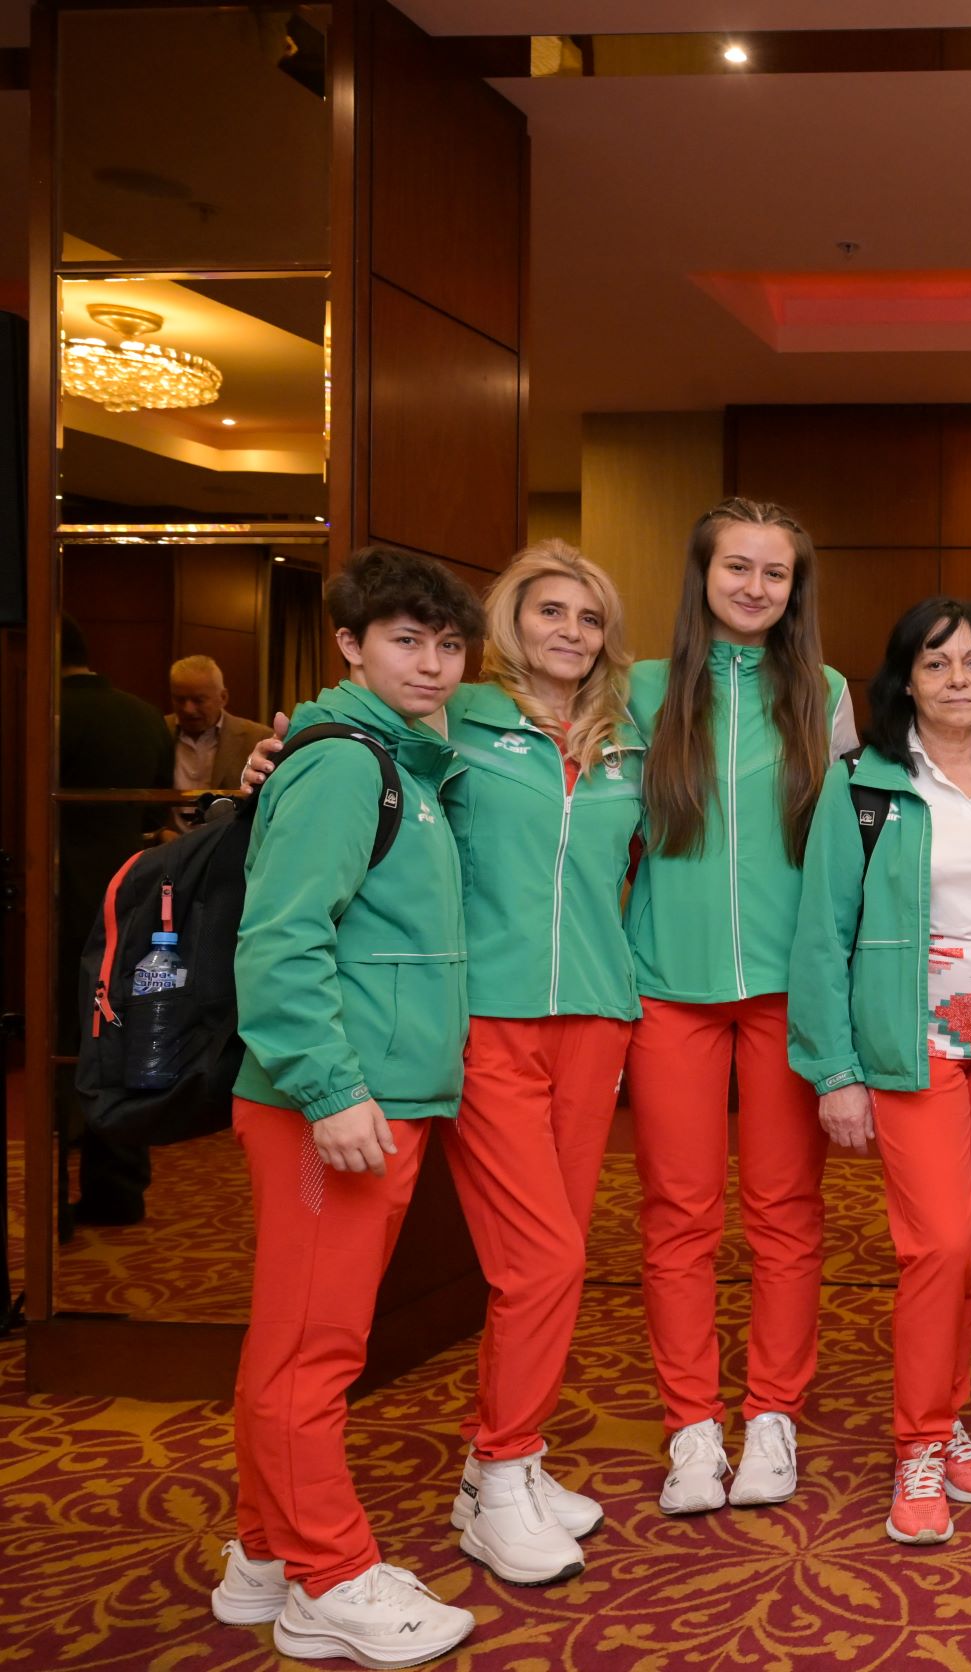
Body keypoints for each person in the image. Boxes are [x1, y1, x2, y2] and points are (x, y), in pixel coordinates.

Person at [237, 542, 646, 1584]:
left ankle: (505, 1458)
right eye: (549, 610)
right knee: (539, 1260)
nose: (570, 631)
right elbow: (334, 758)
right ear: (509, 626)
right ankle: (498, 1474)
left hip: (596, 1016)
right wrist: (271, 759)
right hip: (483, 1020)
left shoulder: (629, 735)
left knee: (558, 1259)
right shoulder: (447, 719)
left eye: (589, 616)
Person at [209, 546, 483, 1668]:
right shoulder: (341, 764)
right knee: (314, 1349)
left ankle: (263, 1553)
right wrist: (330, 1089)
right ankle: (328, 1574)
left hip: (374, 1097)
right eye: (406, 640)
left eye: (448, 644)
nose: (431, 663)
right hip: (331, 1104)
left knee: (297, 1335)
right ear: (350, 645)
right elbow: (280, 941)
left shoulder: (401, 760)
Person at [790, 597, 971, 1547]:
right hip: (913, 1047)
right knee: (937, 1244)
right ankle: (917, 1449)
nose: (957, 680)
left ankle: (946, 1414)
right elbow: (821, 935)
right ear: (906, 680)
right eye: (937, 664)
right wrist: (834, 1071)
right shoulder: (865, 788)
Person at [627, 496, 855, 1515]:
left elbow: (849, 849)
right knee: (679, 1214)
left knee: (784, 1212)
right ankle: (690, 1424)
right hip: (666, 990)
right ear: (703, 574)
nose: (756, 587)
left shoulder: (824, 691)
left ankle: (772, 1415)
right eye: (738, 567)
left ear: (795, 589)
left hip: (785, 993)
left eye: (776, 572)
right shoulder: (637, 690)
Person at [58, 618, 177, 1230]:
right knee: (120, 1037)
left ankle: (54, 1199)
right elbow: (157, 812)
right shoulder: (143, 717)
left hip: (56, 902)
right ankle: (120, 1187)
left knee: (61, 1048)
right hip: (129, 897)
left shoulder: (46, 715)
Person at [166, 653, 273, 827]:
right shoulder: (158, 731)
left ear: (223, 697)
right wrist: (162, 832)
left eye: (198, 700)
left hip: (228, 839)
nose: (188, 709)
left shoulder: (257, 738)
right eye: (180, 699)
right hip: (168, 841)